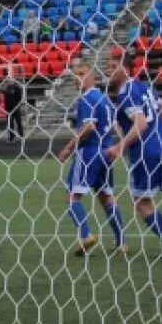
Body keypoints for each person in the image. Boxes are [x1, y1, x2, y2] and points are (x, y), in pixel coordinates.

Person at [105, 55, 162, 259]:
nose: (108, 70)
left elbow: (140, 124)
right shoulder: (144, 87)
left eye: (113, 66)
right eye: (107, 66)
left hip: (146, 152)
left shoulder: (127, 95)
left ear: (126, 69)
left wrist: (119, 147)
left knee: (141, 201)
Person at [56, 62, 126, 256]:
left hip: (89, 152)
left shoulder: (87, 98)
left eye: (81, 73)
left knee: (72, 196)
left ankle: (86, 235)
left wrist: (68, 148)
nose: (76, 78)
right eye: (74, 76)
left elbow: (88, 128)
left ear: (92, 76)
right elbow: (114, 126)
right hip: (106, 152)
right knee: (106, 197)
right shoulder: (104, 98)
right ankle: (121, 242)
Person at [0, 71, 26, 143]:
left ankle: (21, 137)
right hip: (8, 109)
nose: (9, 81)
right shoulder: (6, 88)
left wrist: (18, 105)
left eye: (10, 80)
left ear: (13, 80)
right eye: (8, 80)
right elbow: (5, 97)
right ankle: (11, 138)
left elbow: (20, 98)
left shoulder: (17, 88)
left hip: (16, 108)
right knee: (10, 125)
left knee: (18, 123)